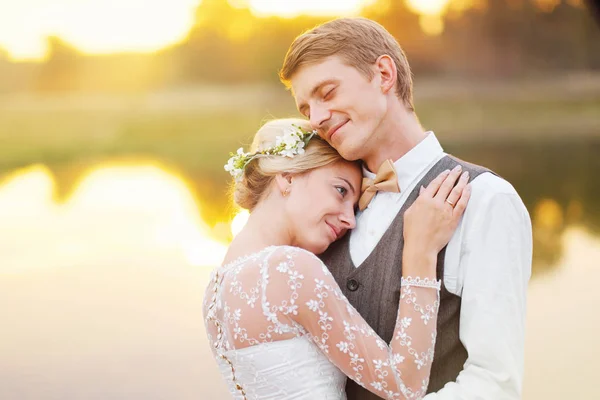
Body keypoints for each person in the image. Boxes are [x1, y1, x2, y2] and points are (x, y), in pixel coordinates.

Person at [279, 17, 533, 399]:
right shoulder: (320, 210)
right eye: (306, 108)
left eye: (327, 93)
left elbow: (494, 383)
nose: (315, 119)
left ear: (383, 74)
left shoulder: (487, 200)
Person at [203, 118, 471, 399]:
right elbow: (405, 384)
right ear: (288, 176)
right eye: (340, 190)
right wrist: (420, 252)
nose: (349, 220)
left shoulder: (214, 292)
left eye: (353, 207)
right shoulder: (291, 270)